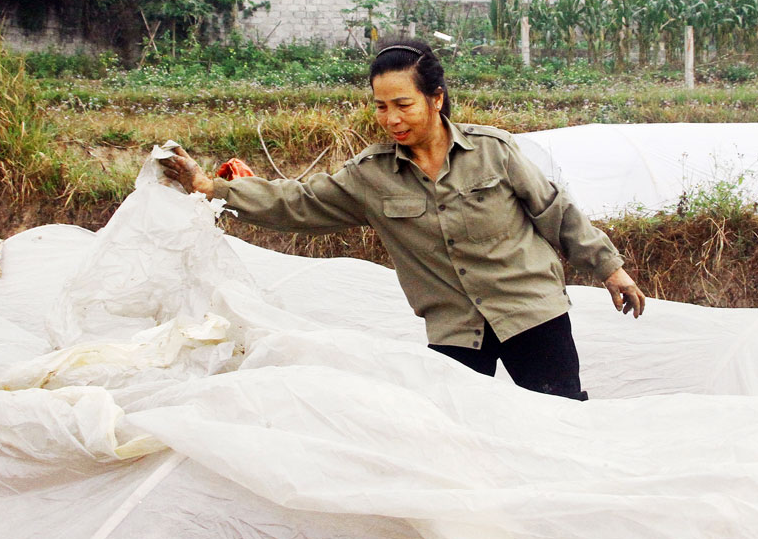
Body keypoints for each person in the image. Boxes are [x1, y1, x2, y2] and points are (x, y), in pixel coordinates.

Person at [161, 37, 645, 400]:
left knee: (558, 424)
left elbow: (554, 212)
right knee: (457, 440)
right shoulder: (370, 176)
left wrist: (609, 268)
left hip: (531, 314)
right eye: (380, 107)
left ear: (435, 98)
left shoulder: (492, 151)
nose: (391, 118)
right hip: (456, 330)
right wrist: (212, 187)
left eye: (403, 104)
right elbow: (298, 201)